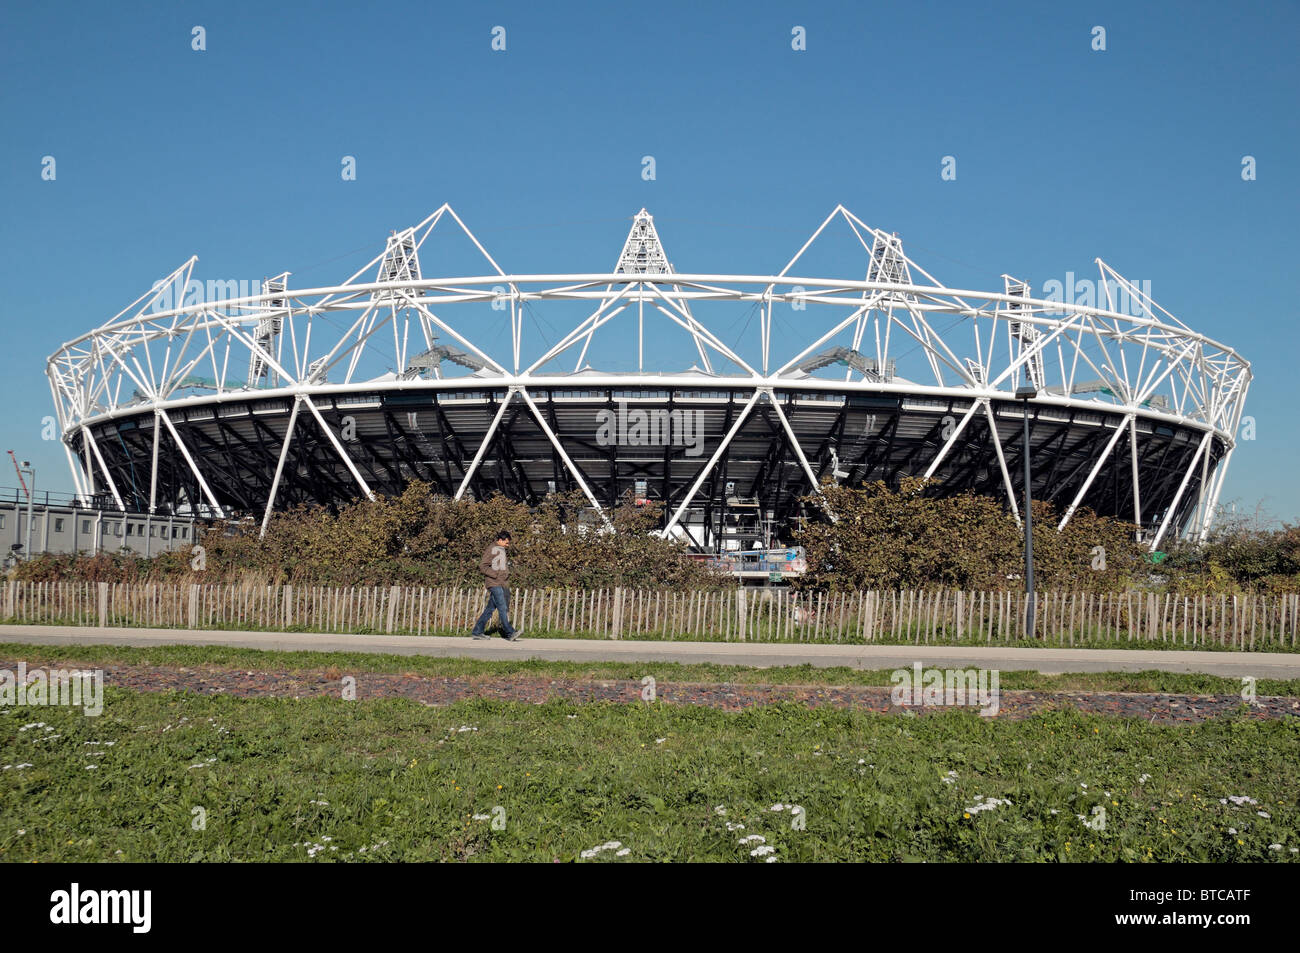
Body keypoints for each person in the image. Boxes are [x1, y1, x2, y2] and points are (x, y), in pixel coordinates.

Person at [471, 530, 522, 641]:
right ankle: (510, 632)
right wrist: (495, 575)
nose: (508, 545)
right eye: (506, 542)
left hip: (500, 583)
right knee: (502, 607)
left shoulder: (500, 549)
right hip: (494, 583)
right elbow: (483, 566)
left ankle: (477, 631)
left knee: (490, 609)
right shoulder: (492, 549)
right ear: (500, 540)